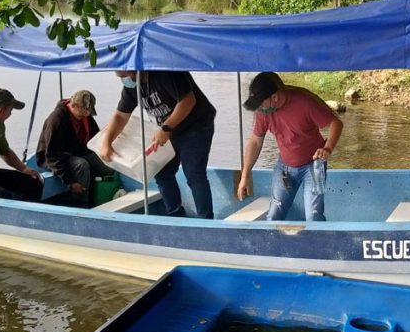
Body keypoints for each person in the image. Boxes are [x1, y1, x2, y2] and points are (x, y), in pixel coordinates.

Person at [99, 71, 216, 218]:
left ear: (134, 68)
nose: (124, 80)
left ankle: (205, 220)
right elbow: (120, 116)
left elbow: (188, 100)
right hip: (168, 132)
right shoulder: (132, 86)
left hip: (196, 125)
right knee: (162, 172)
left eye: (124, 75)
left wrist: (166, 127)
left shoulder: (165, 73)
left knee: (193, 173)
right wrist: (106, 142)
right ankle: (175, 214)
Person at [237, 72, 343, 221]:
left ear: (275, 97)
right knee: (274, 214)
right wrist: (245, 175)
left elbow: (336, 123)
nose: (259, 109)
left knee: (314, 216)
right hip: (285, 167)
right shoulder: (263, 112)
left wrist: (327, 148)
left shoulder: (305, 102)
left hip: (314, 167)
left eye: (261, 104)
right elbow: (255, 141)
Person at [35, 90, 114, 207]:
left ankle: (108, 196)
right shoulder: (56, 120)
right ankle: (82, 205)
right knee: (81, 165)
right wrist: (70, 182)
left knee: (105, 162)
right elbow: (52, 155)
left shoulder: (86, 117)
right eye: (83, 113)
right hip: (55, 157)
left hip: (77, 152)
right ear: (73, 105)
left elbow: (95, 138)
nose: (86, 116)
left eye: (88, 113)